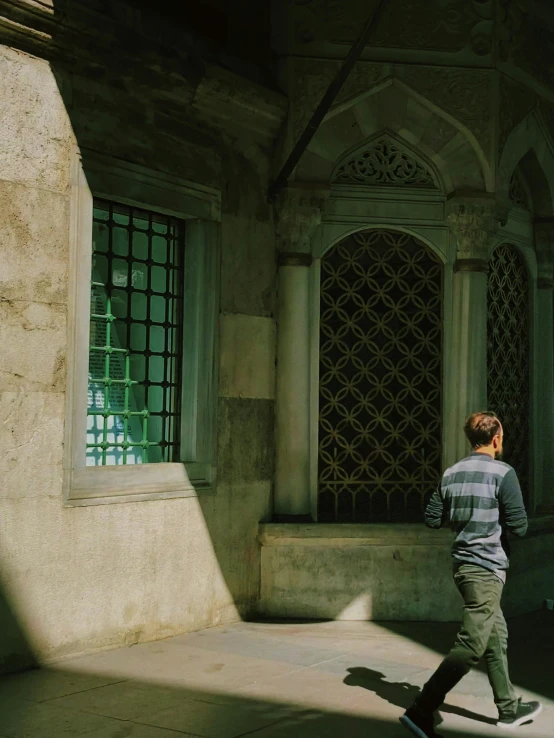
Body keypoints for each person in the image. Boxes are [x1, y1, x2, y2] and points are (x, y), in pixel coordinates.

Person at [400, 411, 542, 738]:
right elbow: (519, 527)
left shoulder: (451, 473)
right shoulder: (503, 474)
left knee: (496, 636)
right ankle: (422, 709)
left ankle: (508, 708)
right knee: (471, 645)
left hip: (463, 567)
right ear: (496, 439)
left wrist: (464, 518)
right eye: (502, 437)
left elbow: (433, 518)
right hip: (486, 570)